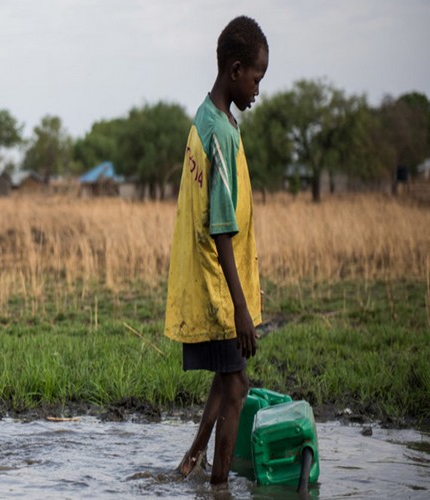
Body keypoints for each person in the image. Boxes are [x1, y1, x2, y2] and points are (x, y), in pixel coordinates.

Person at [163, 15, 268, 485]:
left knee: (227, 377)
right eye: (256, 78)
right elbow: (222, 229)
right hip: (219, 287)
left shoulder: (207, 117)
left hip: (213, 281)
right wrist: (241, 310)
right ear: (234, 69)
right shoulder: (220, 135)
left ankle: (193, 458)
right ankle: (219, 485)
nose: (258, 90)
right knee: (239, 387)